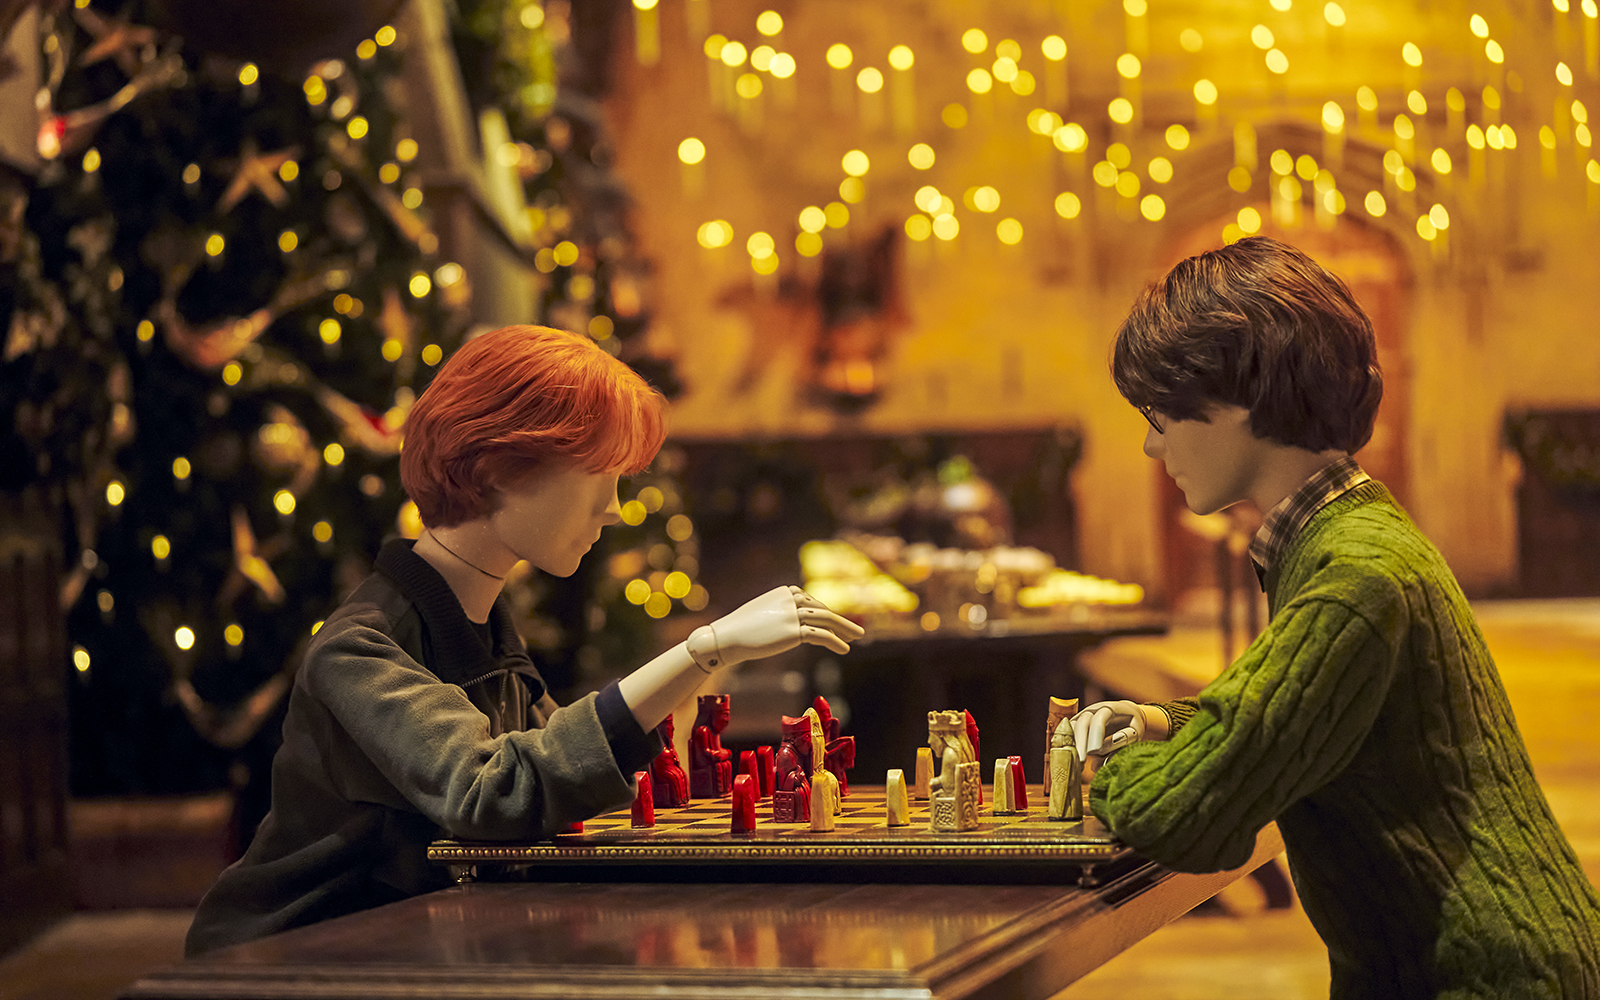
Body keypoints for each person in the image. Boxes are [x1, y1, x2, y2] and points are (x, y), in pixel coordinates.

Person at [185, 325, 864, 955]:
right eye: (599, 477)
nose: (613, 509)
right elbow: (497, 793)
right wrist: (702, 650)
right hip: (292, 959)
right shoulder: (359, 650)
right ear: (496, 469)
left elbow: (558, 777)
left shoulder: (484, 630)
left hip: (418, 944)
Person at [1067, 237, 1600, 998]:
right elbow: (1291, 717)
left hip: (1480, 977)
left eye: (1159, 414)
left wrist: (1093, 773)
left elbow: (1185, 812)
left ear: (1237, 399)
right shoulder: (1352, 532)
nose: (1152, 445)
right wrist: (1164, 724)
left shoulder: (1353, 571)